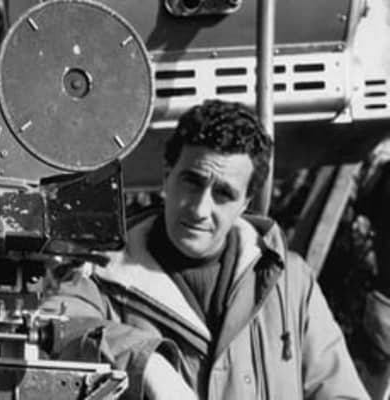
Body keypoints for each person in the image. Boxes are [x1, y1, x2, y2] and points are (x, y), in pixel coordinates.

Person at [41, 99, 369, 399]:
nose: (199, 209)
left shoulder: (290, 282)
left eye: (223, 194)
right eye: (192, 182)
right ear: (167, 176)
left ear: (246, 202)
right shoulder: (100, 272)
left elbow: (340, 392)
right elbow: (57, 325)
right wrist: (147, 363)